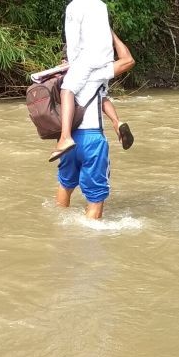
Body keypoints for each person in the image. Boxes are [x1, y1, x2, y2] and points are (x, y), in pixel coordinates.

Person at [49, 0, 134, 162]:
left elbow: (73, 40)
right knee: (100, 92)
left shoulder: (73, 7)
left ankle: (65, 137)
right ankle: (117, 122)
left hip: (86, 58)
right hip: (105, 59)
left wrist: (70, 62)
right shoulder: (100, 4)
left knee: (67, 89)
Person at [55, 31, 136, 220]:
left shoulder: (62, 73)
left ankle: (59, 231)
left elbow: (101, 98)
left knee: (65, 184)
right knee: (96, 197)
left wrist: (115, 121)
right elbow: (128, 60)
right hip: (92, 140)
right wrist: (109, 32)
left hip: (68, 140)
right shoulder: (95, 71)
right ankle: (91, 241)